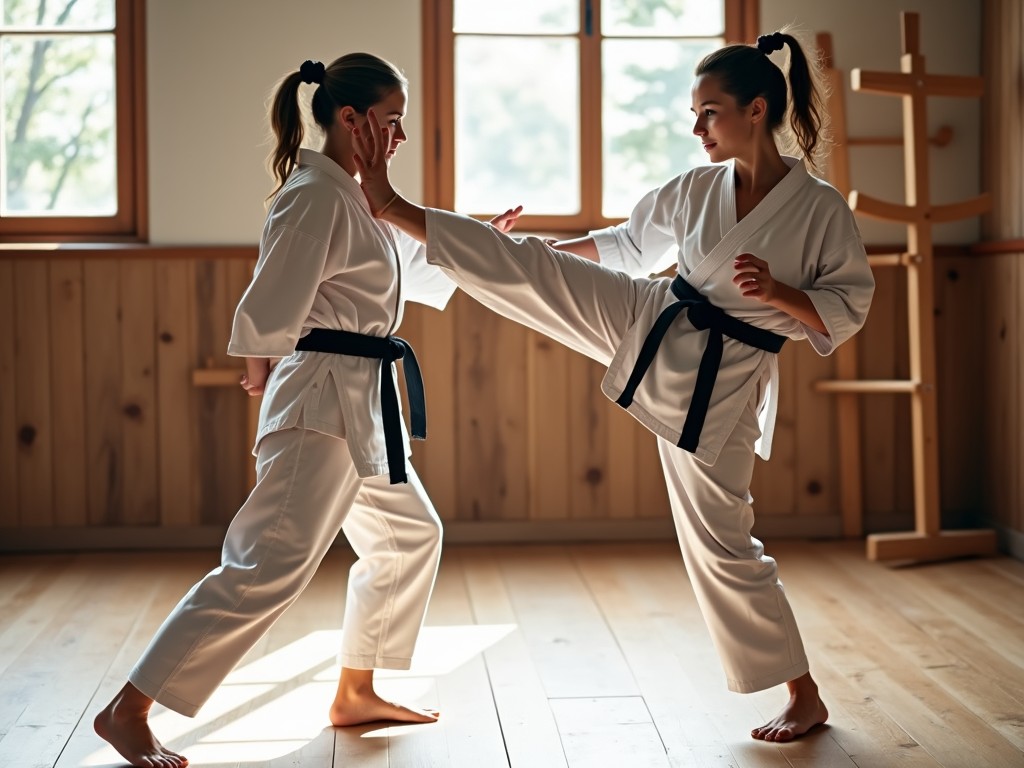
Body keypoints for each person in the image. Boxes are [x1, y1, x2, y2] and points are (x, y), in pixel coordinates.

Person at [352, 30, 875, 743]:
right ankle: (392, 205)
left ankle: (802, 694)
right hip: (656, 316)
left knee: (723, 543)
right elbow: (630, 246)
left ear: (757, 109)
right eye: (694, 114)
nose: (696, 129)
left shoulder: (819, 210)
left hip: (724, 379)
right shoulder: (697, 188)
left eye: (709, 113)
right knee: (532, 267)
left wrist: (780, 292)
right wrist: (536, 254)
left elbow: (846, 307)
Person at [94, 53, 507, 768]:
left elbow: (387, 281)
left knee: (409, 538)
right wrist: (261, 362)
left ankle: (357, 689)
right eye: (394, 121)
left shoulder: (349, 194)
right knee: (267, 564)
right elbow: (273, 292)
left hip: (357, 399)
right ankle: (129, 707)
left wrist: (472, 248)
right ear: (352, 120)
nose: (400, 137)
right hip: (322, 397)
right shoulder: (315, 195)